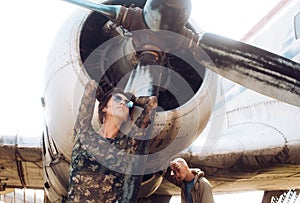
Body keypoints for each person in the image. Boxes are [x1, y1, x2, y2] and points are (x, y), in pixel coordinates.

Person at [67, 80, 144, 202]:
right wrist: (103, 91)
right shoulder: (84, 135)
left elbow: (151, 104)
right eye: (118, 99)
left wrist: (136, 101)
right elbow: (91, 86)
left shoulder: (126, 147)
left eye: (127, 104)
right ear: (104, 107)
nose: (123, 103)